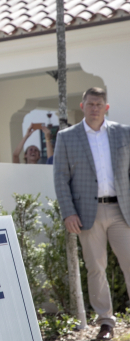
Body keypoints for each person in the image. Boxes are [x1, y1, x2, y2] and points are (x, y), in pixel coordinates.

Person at [54, 87, 130, 340]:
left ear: (106, 107)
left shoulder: (124, 133)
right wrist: (68, 213)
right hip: (88, 212)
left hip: (122, 210)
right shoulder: (67, 137)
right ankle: (106, 322)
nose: (95, 108)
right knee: (96, 267)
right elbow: (61, 178)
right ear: (82, 105)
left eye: (99, 104)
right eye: (90, 104)